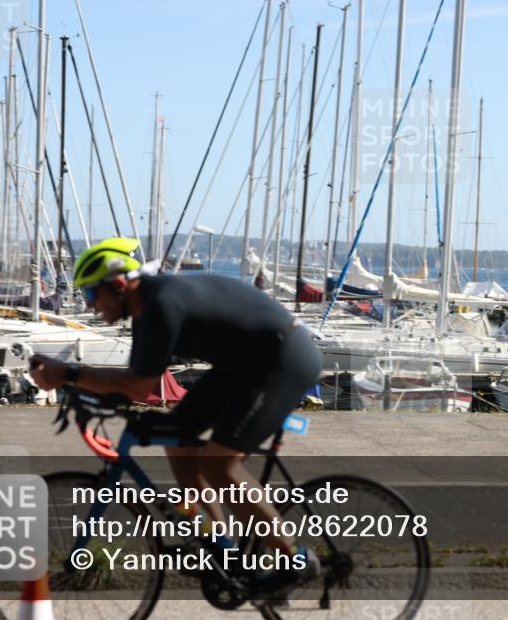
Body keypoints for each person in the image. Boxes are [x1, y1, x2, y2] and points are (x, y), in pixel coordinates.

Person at [29, 237, 323, 597]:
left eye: (92, 296)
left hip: (282, 360)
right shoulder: (143, 309)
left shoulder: (160, 304)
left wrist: (70, 375)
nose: (92, 308)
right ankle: (219, 544)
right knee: (177, 437)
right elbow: (132, 383)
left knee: (220, 467)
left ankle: (296, 557)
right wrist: (79, 387)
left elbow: (138, 387)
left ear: (119, 285)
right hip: (244, 364)